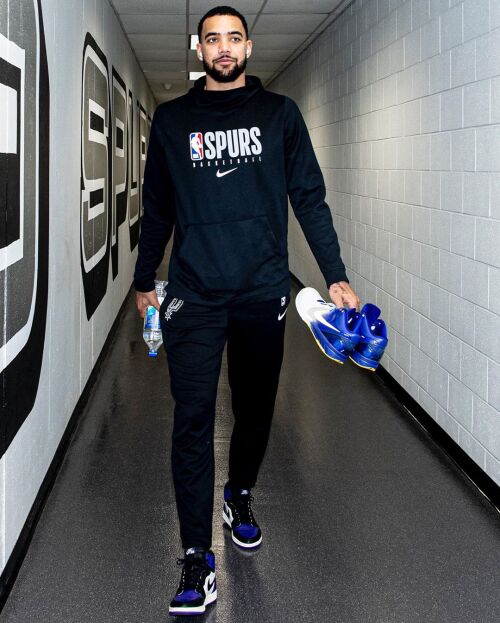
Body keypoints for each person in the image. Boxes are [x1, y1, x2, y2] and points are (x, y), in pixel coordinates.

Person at [134, 5, 360, 616]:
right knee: (192, 419)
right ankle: (195, 556)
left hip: (262, 292)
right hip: (194, 296)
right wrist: (143, 279)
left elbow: (309, 197)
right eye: (213, 39)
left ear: (249, 47)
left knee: (255, 410)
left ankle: (238, 494)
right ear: (198, 49)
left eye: (234, 37)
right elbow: (157, 207)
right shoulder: (173, 120)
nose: (224, 47)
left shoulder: (279, 115)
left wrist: (335, 274)